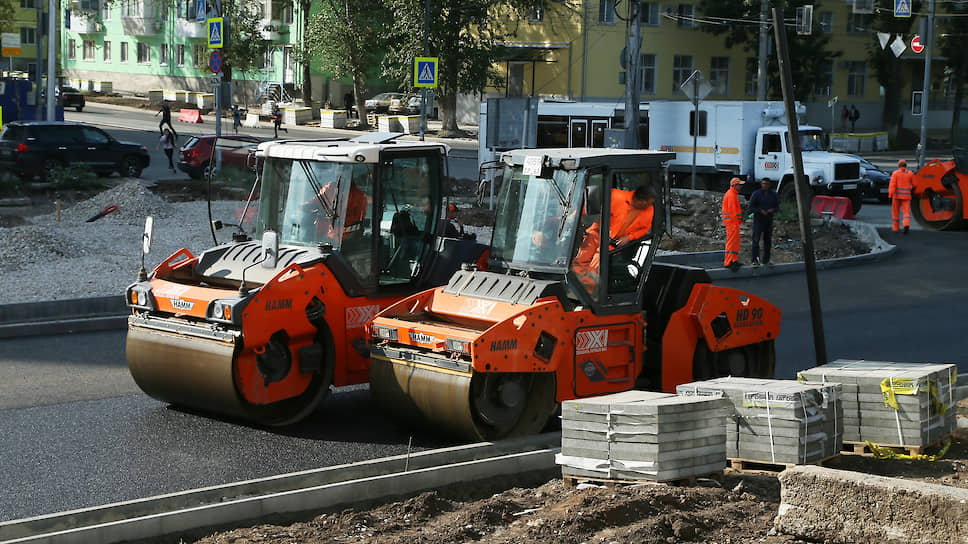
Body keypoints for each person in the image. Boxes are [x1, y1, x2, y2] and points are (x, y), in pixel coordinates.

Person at [573, 185, 656, 290]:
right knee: (580, 261)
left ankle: (586, 294)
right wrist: (574, 217)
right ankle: (574, 288)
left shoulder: (649, 211)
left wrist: (629, 237)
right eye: (648, 203)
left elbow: (644, 229)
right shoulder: (616, 196)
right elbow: (586, 206)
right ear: (640, 200)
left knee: (595, 268)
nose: (650, 206)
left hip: (612, 245)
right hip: (596, 234)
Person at [748, 178, 778, 266]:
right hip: (758, 219)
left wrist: (772, 210)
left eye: (767, 184)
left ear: (769, 185)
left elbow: (777, 206)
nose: (765, 185)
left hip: (768, 220)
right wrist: (760, 210)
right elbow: (751, 207)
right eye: (763, 183)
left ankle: (766, 260)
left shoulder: (773, 194)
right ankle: (755, 260)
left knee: (767, 240)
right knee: (756, 240)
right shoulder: (756, 194)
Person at [721, 177, 745, 271]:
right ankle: (728, 262)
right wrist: (736, 223)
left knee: (735, 243)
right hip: (732, 224)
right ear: (735, 185)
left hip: (734, 223)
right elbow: (732, 212)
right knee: (731, 243)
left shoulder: (733, 194)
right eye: (739, 185)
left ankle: (733, 260)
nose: (741, 186)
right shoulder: (731, 195)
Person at [889, 159, 915, 234]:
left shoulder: (895, 173)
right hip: (906, 196)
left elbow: (892, 185)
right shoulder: (910, 174)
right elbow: (915, 185)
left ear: (899, 166)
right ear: (906, 166)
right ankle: (906, 224)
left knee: (895, 212)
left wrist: (890, 195)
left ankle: (895, 228)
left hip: (896, 196)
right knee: (906, 212)